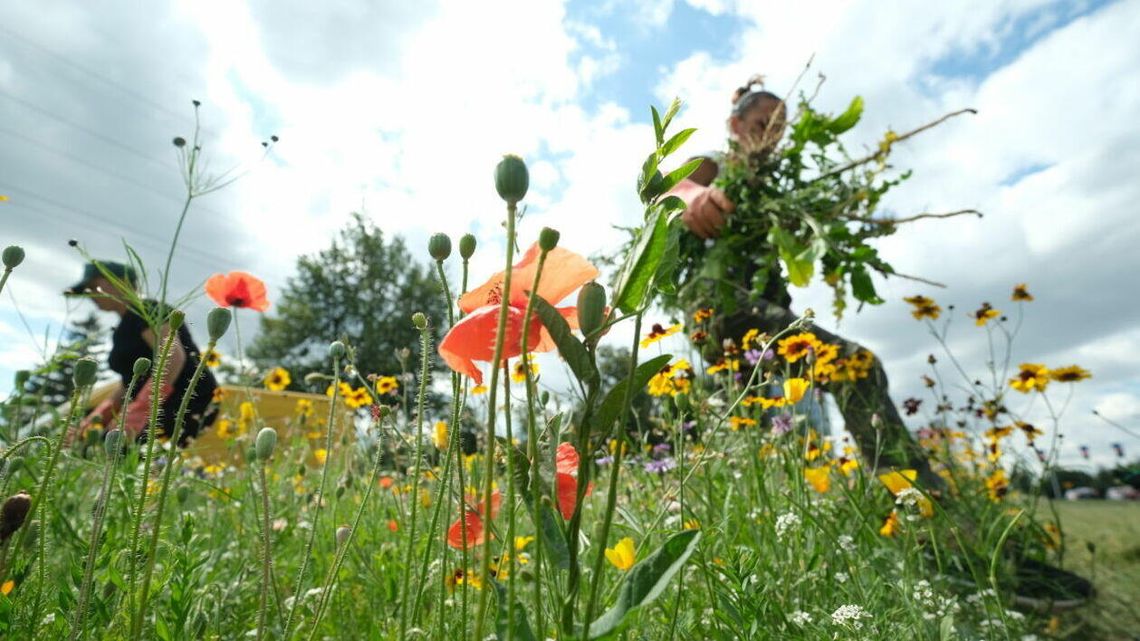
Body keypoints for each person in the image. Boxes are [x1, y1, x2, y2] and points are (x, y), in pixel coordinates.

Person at [669, 75, 940, 489]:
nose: (772, 137)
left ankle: (871, 501)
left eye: (778, 130)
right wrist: (692, 198)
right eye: (763, 126)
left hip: (760, 313)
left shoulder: (771, 188)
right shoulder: (719, 163)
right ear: (736, 126)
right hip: (724, 307)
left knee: (776, 428)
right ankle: (914, 498)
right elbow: (668, 187)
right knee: (854, 366)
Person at [64, 260, 217, 445]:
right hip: (154, 402)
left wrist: (139, 411)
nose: (89, 294)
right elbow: (128, 383)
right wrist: (95, 420)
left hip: (186, 400)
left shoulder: (146, 310)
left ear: (121, 282)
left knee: (123, 454)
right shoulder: (123, 328)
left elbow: (173, 357)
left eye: (93, 286)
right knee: (95, 446)